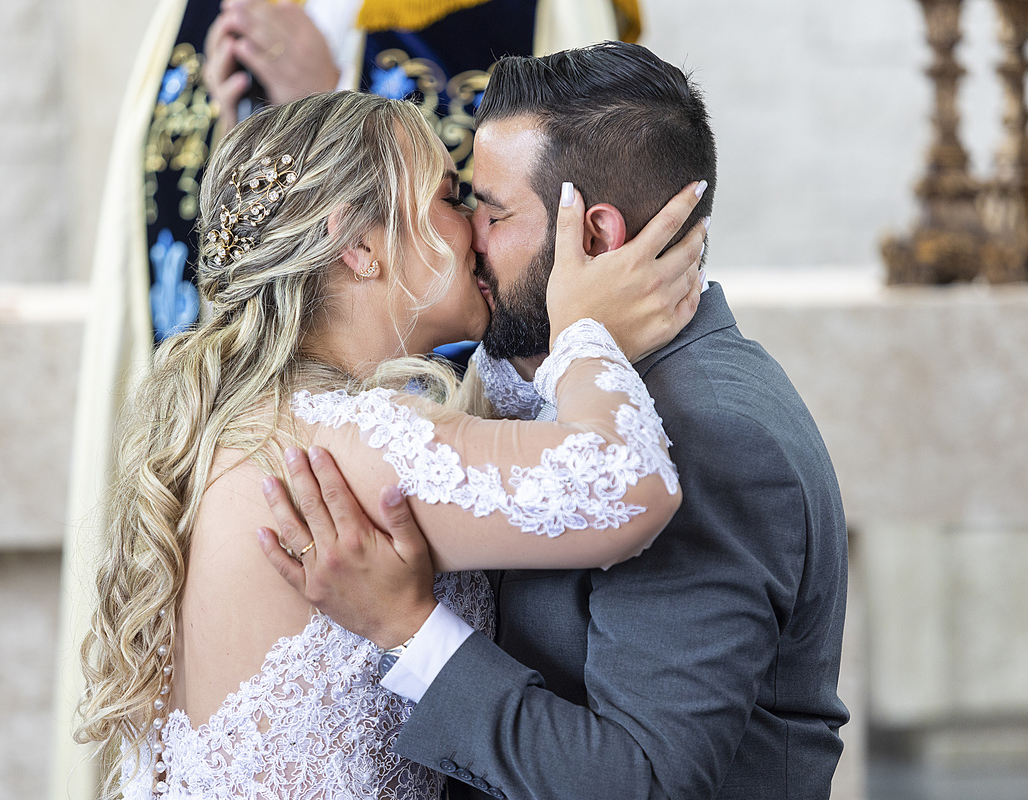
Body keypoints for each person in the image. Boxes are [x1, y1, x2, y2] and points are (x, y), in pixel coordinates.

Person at [75, 89, 708, 799]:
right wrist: (584, 329)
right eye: (446, 195)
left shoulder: (253, 421)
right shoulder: (352, 444)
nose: (475, 224)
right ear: (361, 244)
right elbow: (628, 480)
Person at [259, 42, 850, 800]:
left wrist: (408, 627)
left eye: (494, 212)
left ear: (595, 238)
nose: (468, 237)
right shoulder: (541, 375)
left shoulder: (706, 431)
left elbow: (639, 782)